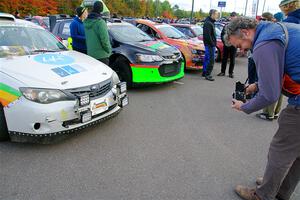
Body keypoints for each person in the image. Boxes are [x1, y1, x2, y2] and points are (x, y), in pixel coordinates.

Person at [226, 17, 300, 200]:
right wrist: (257, 85)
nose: (242, 50)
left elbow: (270, 95)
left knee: (280, 150)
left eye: (240, 45)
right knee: (297, 151)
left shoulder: (263, 45)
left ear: (245, 32)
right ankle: (279, 189)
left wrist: (245, 106)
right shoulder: (275, 29)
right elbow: (282, 67)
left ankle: (263, 195)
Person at [255, 12, 284, 121]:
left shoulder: (270, 30)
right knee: (279, 89)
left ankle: (268, 113)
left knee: (269, 86)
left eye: (263, 18)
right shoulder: (282, 28)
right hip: (282, 64)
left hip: (273, 62)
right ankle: (275, 112)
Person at [83, 1, 112, 65]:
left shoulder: (86, 21)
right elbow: (105, 40)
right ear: (101, 9)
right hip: (102, 56)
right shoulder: (100, 22)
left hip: (90, 54)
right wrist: (109, 51)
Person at [217, 12, 238, 78]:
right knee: (224, 59)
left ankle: (230, 73)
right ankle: (222, 72)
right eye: (231, 17)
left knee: (232, 60)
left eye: (234, 17)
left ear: (236, 18)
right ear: (230, 18)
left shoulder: (238, 27)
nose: (232, 18)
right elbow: (222, 34)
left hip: (233, 46)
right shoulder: (226, 26)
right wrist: (224, 42)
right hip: (226, 45)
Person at [202, 9, 219, 81]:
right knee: (211, 60)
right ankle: (208, 75)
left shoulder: (211, 22)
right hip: (210, 45)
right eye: (216, 14)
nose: (217, 16)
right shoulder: (208, 23)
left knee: (207, 59)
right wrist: (212, 44)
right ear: (212, 14)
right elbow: (207, 36)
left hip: (210, 45)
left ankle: (205, 72)